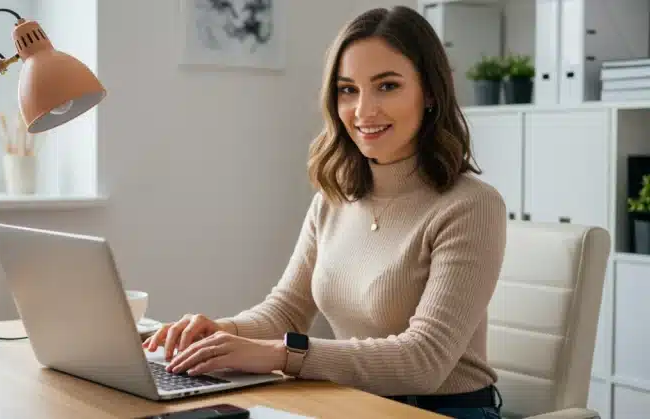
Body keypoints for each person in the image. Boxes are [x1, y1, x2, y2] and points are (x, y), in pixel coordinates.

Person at [143, 5, 506, 419]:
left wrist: (279, 355)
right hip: (352, 405)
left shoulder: (471, 205)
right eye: (347, 89)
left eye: (387, 86)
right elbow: (287, 311)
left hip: (441, 412)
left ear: (430, 93)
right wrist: (223, 332)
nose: (363, 110)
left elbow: (424, 360)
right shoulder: (334, 198)